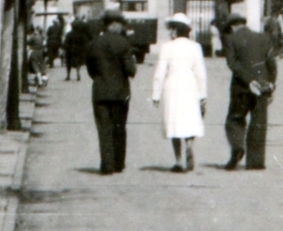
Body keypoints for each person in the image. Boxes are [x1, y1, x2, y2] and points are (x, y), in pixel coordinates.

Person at [151, 13, 208, 172]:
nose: (170, 32)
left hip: (172, 87)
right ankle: (189, 144)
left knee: (173, 121)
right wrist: (203, 95)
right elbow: (200, 73)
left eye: (171, 29)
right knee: (189, 119)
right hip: (190, 87)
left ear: (176, 30)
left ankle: (178, 161)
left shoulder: (167, 47)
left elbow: (160, 72)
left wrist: (156, 94)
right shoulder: (195, 47)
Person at [223, 13, 277, 170]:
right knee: (259, 123)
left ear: (232, 26)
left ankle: (237, 146)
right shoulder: (263, 38)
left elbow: (232, 63)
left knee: (235, 118)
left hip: (241, 87)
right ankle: (256, 162)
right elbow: (271, 63)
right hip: (262, 86)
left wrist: (248, 81)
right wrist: (271, 85)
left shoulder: (231, 39)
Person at [85, 11, 137, 174]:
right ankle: (118, 163)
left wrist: (100, 78)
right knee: (119, 127)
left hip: (100, 91)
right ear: (114, 24)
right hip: (120, 92)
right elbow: (131, 70)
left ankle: (106, 164)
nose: (122, 27)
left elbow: (90, 69)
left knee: (104, 129)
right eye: (121, 24)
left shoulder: (94, 43)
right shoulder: (123, 43)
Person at [64, 16, 92, 81]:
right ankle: (78, 73)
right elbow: (85, 43)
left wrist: (66, 48)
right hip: (79, 50)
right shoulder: (82, 35)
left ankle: (68, 75)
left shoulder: (69, 34)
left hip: (70, 50)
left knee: (68, 63)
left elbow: (66, 43)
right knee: (78, 62)